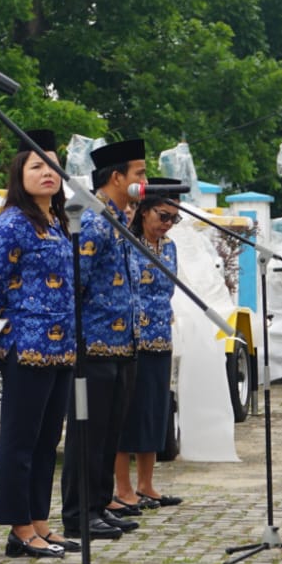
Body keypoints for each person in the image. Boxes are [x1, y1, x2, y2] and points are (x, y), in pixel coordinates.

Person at [0, 130, 80, 560]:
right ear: (20, 174)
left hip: (62, 347)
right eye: (37, 166)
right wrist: (11, 315)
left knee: (45, 441)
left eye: (52, 166)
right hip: (27, 345)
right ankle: (19, 529)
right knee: (20, 440)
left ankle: (40, 523)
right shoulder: (12, 222)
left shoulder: (57, 222)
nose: (47, 173)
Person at [61, 139, 147, 542]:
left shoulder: (118, 219)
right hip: (93, 347)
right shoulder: (94, 221)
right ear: (117, 178)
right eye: (139, 174)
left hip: (121, 346)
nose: (143, 182)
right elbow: (74, 283)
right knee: (88, 436)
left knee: (109, 433)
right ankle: (79, 513)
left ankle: (99, 505)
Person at [113, 189, 184, 512]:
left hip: (160, 338)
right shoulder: (127, 241)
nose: (167, 224)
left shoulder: (169, 248)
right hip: (132, 339)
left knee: (155, 412)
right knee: (127, 414)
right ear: (144, 212)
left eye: (174, 218)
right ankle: (123, 488)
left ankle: (147, 484)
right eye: (162, 216)